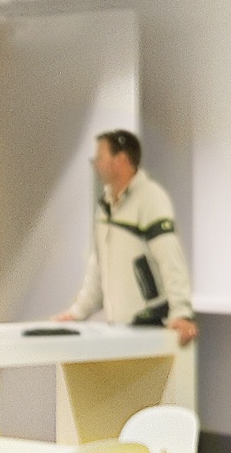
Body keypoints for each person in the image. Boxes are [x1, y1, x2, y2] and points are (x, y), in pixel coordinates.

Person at [61, 128, 194, 352]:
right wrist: (77, 313)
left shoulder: (150, 198)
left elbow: (170, 257)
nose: (96, 163)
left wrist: (181, 312)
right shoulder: (105, 205)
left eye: (101, 157)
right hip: (118, 330)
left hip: (149, 328)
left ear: (121, 160)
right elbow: (98, 267)